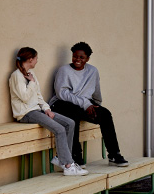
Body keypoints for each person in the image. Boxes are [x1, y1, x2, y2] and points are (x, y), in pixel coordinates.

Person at [49, 42, 129, 166]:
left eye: (82, 57)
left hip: (83, 104)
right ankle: (75, 156)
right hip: (62, 103)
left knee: (105, 114)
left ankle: (114, 154)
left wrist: (96, 107)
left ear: (87, 58)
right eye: (75, 56)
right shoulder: (64, 70)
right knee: (74, 114)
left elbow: (96, 91)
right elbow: (62, 94)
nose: (77, 60)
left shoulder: (92, 71)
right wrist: (86, 104)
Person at [9, 47, 85, 176]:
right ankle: (68, 165)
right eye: (36, 58)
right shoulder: (16, 76)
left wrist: (47, 109)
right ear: (30, 59)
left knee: (70, 123)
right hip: (26, 113)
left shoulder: (31, 74)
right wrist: (31, 83)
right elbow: (24, 97)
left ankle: (61, 158)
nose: (37, 61)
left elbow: (38, 96)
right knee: (59, 129)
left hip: (37, 110)